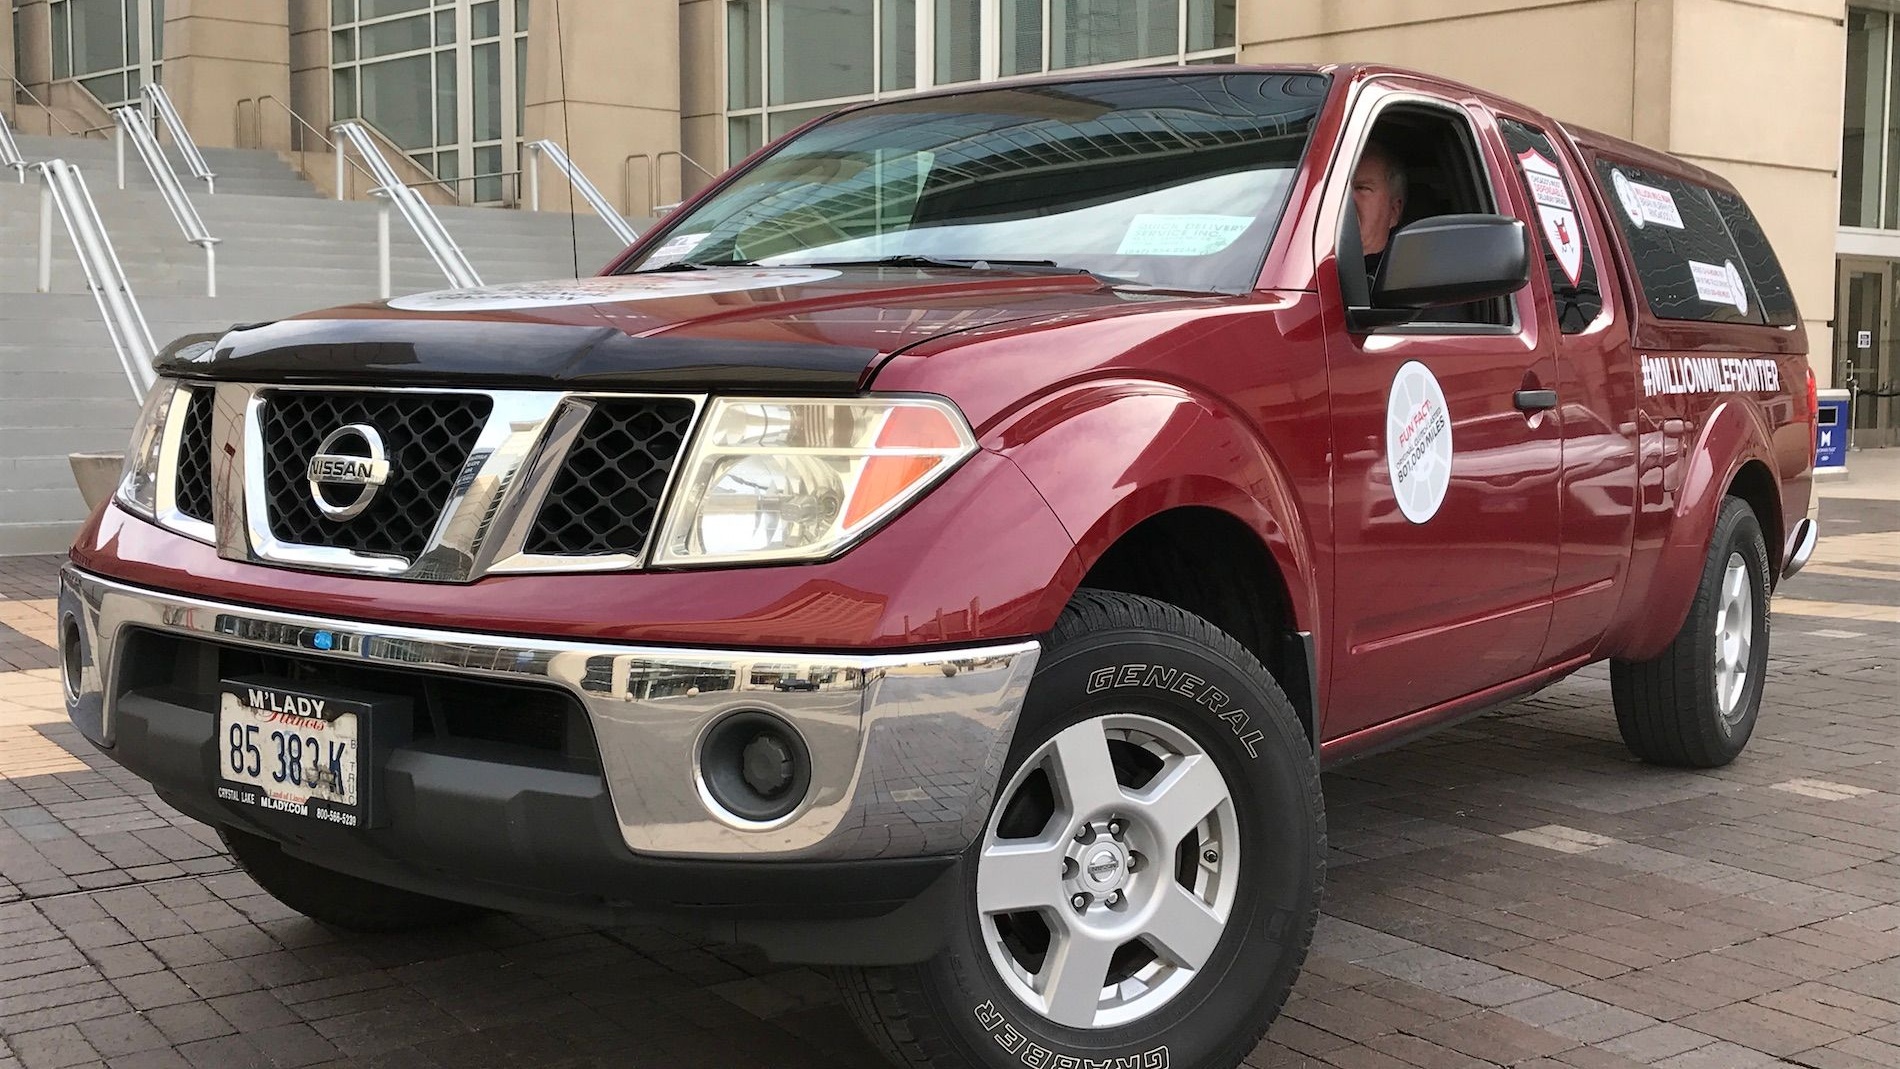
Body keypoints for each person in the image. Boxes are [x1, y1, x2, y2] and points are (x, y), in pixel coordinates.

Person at [1353, 140, 1407, 277]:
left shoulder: (1403, 280)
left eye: (1361, 188)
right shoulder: (1299, 265)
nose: (1342, 198)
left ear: (1393, 211)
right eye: (1337, 187)